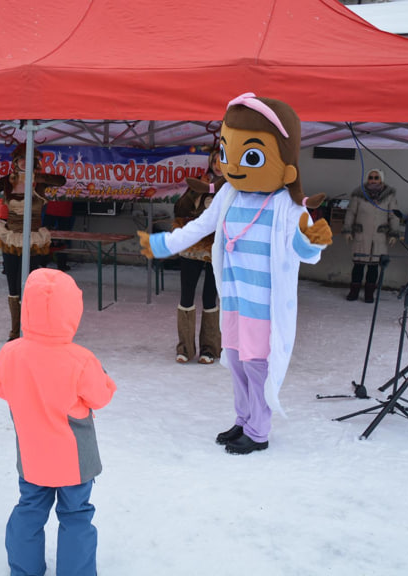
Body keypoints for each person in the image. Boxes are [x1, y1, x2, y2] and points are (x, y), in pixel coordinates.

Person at [138, 93, 332, 455]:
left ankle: (259, 431)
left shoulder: (286, 207)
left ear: (286, 165)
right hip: (235, 300)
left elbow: (305, 251)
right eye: (227, 153)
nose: (233, 166)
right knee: (237, 363)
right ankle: (243, 418)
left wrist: (311, 242)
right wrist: (163, 244)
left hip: (262, 306)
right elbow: (198, 227)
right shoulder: (229, 195)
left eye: (251, 156)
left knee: (257, 366)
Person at [0, 268, 116, 576]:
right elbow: (99, 397)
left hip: (33, 455)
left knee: (30, 509)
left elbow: (0, 387)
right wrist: (106, 380)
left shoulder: (11, 352)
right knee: (76, 514)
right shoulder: (81, 359)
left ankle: (24, 569)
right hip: (74, 459)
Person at [0, 143, 66, 340]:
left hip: (33, 238)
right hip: (12, 237)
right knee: (13, 286)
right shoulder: (8, 181)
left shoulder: (40, 182)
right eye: (21, 158)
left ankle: (33, 329)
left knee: (31, 285)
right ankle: (15, 332)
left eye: (30, 158)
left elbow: (61, 180)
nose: (25, 161)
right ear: (15, 162)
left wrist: (36, 176)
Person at [171, 148, 224, 364]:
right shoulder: (201, 182)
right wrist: (195, 190)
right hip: (192, 247)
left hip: (216, 248)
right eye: (214, 160)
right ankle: (184, 347)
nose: (218, 164)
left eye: (222, 160)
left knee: (210, 297)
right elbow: (179, 209)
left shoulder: (233, 187)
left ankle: (210, 348)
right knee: (186, 295)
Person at [341, 168, 401, 303]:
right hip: (361, 234)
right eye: (370, 177)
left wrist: (394, 232)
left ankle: (369, 294)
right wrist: (347, 230)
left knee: (373, 266)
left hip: (378, 237)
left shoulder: (389, 196)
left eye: (376, 177)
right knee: (358, 265)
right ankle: (354, 291)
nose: (373, 180)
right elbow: (351, 212)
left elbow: (394, 215)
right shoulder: (359, 194)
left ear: (381, 179)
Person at [42, 199, 75, 271]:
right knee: (63, 238)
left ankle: (42, 262)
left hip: (51, 207)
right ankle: (62, 264)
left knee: (45, 237)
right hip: (65, 208)